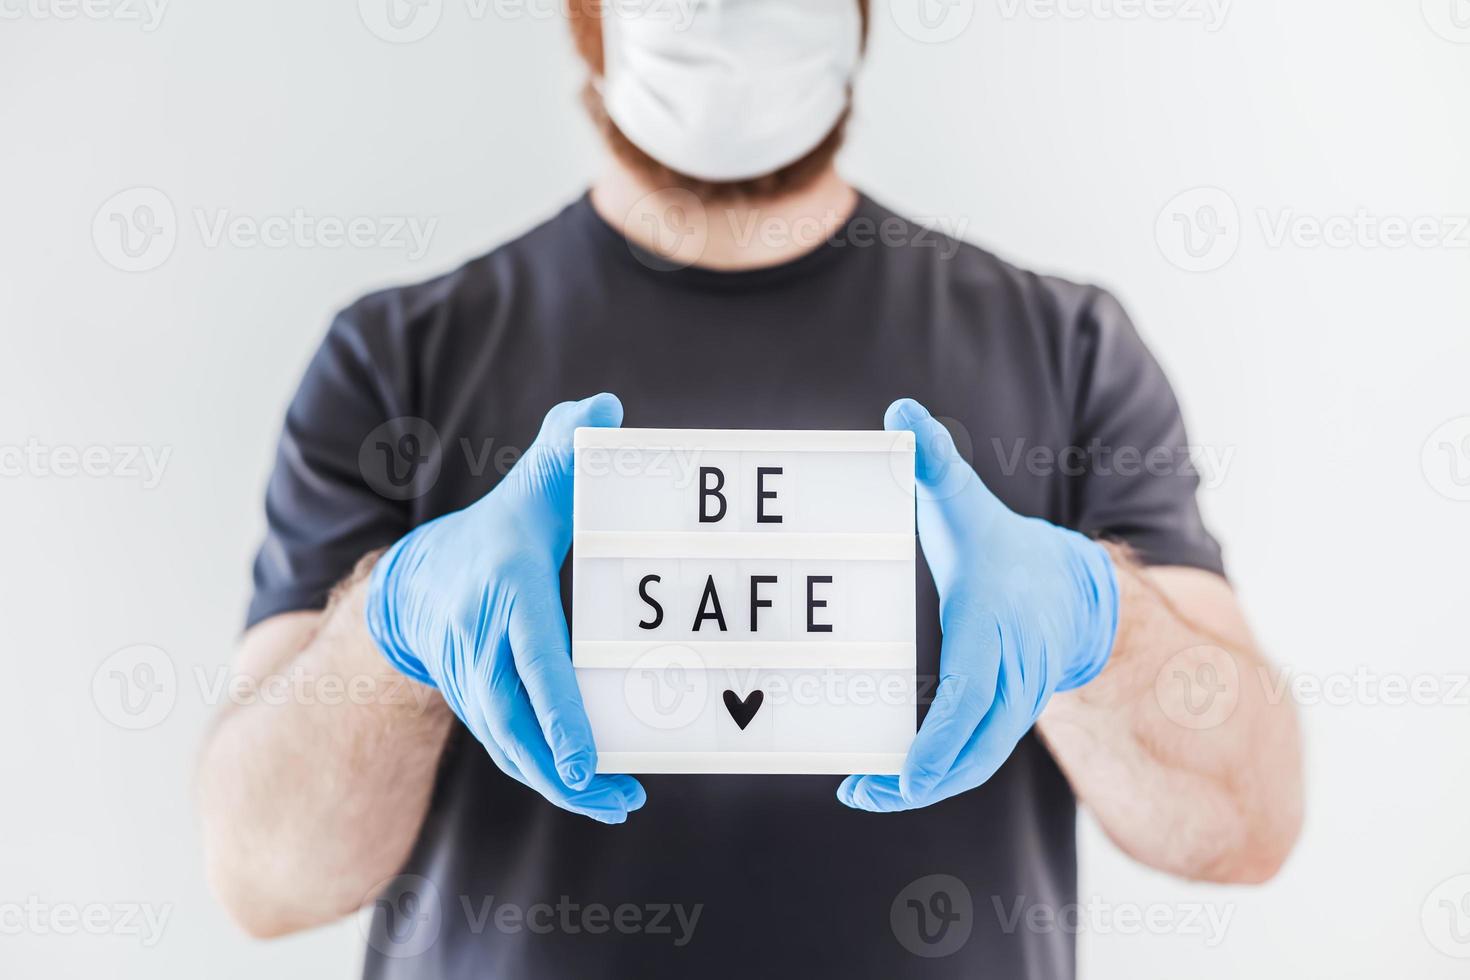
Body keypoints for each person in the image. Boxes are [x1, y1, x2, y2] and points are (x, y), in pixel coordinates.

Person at [196, 1, 1303, 976]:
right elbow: (264, 876)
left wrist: (1098, 622)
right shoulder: (395, 360)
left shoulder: (1067, 349)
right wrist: (389, 629)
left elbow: (1248, 819)